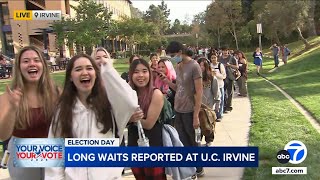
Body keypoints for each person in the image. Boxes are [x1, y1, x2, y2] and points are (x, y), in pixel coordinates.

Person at [45, 54, 142, 179]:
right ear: (70, 76)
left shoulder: (110, 107)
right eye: (78, 69)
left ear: (96, 74)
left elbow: (130, 102)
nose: (84, 72)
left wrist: (108, 70)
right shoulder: (62, 110)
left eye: (89, 68)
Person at [0, 46, 60, 180]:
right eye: (26, 61)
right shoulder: (7, 97)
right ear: (19, 67)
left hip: (53, 151)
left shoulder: (57, 93)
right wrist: (12, 108)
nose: (32, 63)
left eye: (36, 60)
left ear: (43, 65)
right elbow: (3, 136)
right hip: (22, 153)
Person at [164, 41, 204, 178]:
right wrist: (167, 81)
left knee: (193, 141)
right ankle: (190, 170)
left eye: (174, 55)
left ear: (180, 52)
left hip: (190, 110)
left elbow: (199, 92)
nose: (173, 58)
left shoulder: (194, 66)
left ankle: (199, 168)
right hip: (178, 109)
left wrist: (196, 115)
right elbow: (179, 88)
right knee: (182, 142)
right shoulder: (178, 66)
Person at [127, 58, 166, 180]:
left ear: (150, 73)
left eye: (144, 71)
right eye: (136, 72)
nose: (141, 75)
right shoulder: (128, 94)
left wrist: (130, 118)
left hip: (153, 147)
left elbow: (149, 123)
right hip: (134, 144)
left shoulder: (156, 94)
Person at [197, 57, 220, 146]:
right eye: (199, 65)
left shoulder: (212, 78)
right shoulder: (194, 78)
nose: (201, 67)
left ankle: (209, 141)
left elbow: (216, 93)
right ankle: (198, 141)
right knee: (198, 124)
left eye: (203, 65)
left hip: (208, 106)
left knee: (208, 124)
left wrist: (217, 105)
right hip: (198, 105)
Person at [218, 47, 238, 113]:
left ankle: (229, 106)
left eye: (226, 50)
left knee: (230, 92)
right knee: (222, 92)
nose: (225, 52)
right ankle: (224, 106)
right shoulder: (219, 58)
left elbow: (237, 67)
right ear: (222, 51)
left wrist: (230, 65)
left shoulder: (232, 58)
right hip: (222, 77)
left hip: (230, 77)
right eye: (224, 50)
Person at [210, 53, 226, 122]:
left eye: (215, 57)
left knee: (220, 100)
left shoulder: (220, 65)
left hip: (220, 85)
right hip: (212, 86)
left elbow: (224, 76)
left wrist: (216, 74)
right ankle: (214, 114)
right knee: (213, 101)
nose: (213, 59)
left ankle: (220, 114)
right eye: (212, 58)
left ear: (217, 58)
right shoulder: (209, 65)